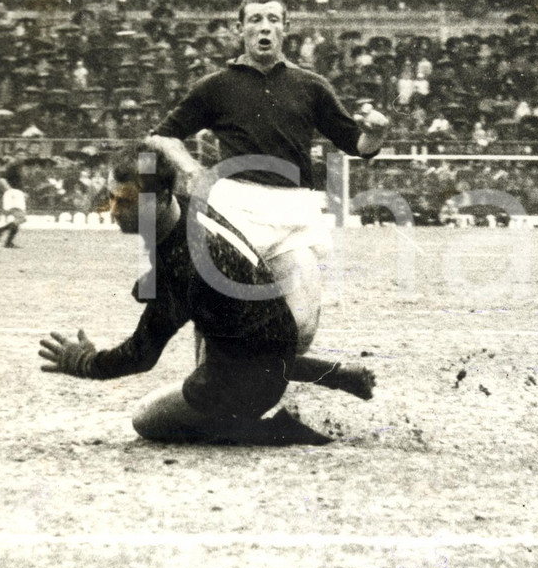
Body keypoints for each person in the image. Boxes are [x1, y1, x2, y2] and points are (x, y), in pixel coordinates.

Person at [37, 144, 375, 445]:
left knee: (145, 419)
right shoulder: (188, 207)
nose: (112, 210)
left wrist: (84, 362)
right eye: (111, 197)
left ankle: (275, 430)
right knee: (235, 341)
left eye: (125, 202)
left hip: (254, 378)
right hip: (272, 337)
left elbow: (141, 356)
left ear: (163, 197)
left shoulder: (185, 266)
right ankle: (333, 374)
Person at [146, 0, 389, 360]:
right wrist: (191, 168)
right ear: (239, 28)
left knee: (302, 324)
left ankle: (259, 390)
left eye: (273, 19)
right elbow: (161, 136)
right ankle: (207, 396)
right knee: (219, 317)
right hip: (234, 208)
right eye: (255, 19)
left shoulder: (312, 85)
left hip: (293, 210)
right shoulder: (216, 86)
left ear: (285, 28)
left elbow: (358, 144)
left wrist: (378, 132)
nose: (264, 26)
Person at [0, 161, 26, 249]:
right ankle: (7, 241)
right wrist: (10, 190)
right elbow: (2, 179)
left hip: (18, 194)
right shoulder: (13, 168)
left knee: (21, 219)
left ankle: (0, 231)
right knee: (21, 218)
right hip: (14, 194)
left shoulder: (18, 169)